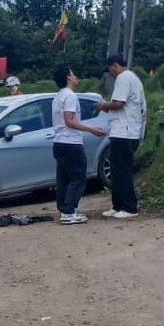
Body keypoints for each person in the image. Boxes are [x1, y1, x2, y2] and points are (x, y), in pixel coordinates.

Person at [94, 54, 147, 220]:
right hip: (126, 130)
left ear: (115, 65)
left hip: (124, 131)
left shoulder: (123, 78)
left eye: (109, 69)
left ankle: (129, 207)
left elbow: (118, 103)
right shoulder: (133, 78)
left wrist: (103, 106)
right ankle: (117, 205)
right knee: (117, 171)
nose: (109, 73)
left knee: (122, 171)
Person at [52, 66, 105, 225]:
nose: (76, 77)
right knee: (79, 177)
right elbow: (70, 121)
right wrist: (91, 129)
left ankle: (64, 209)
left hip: (59, 141)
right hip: (71, 142)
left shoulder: (57, 97)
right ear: (68, 77)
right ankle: (68, 211)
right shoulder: (70, 96)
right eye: (74, 74)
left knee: (63, 178)